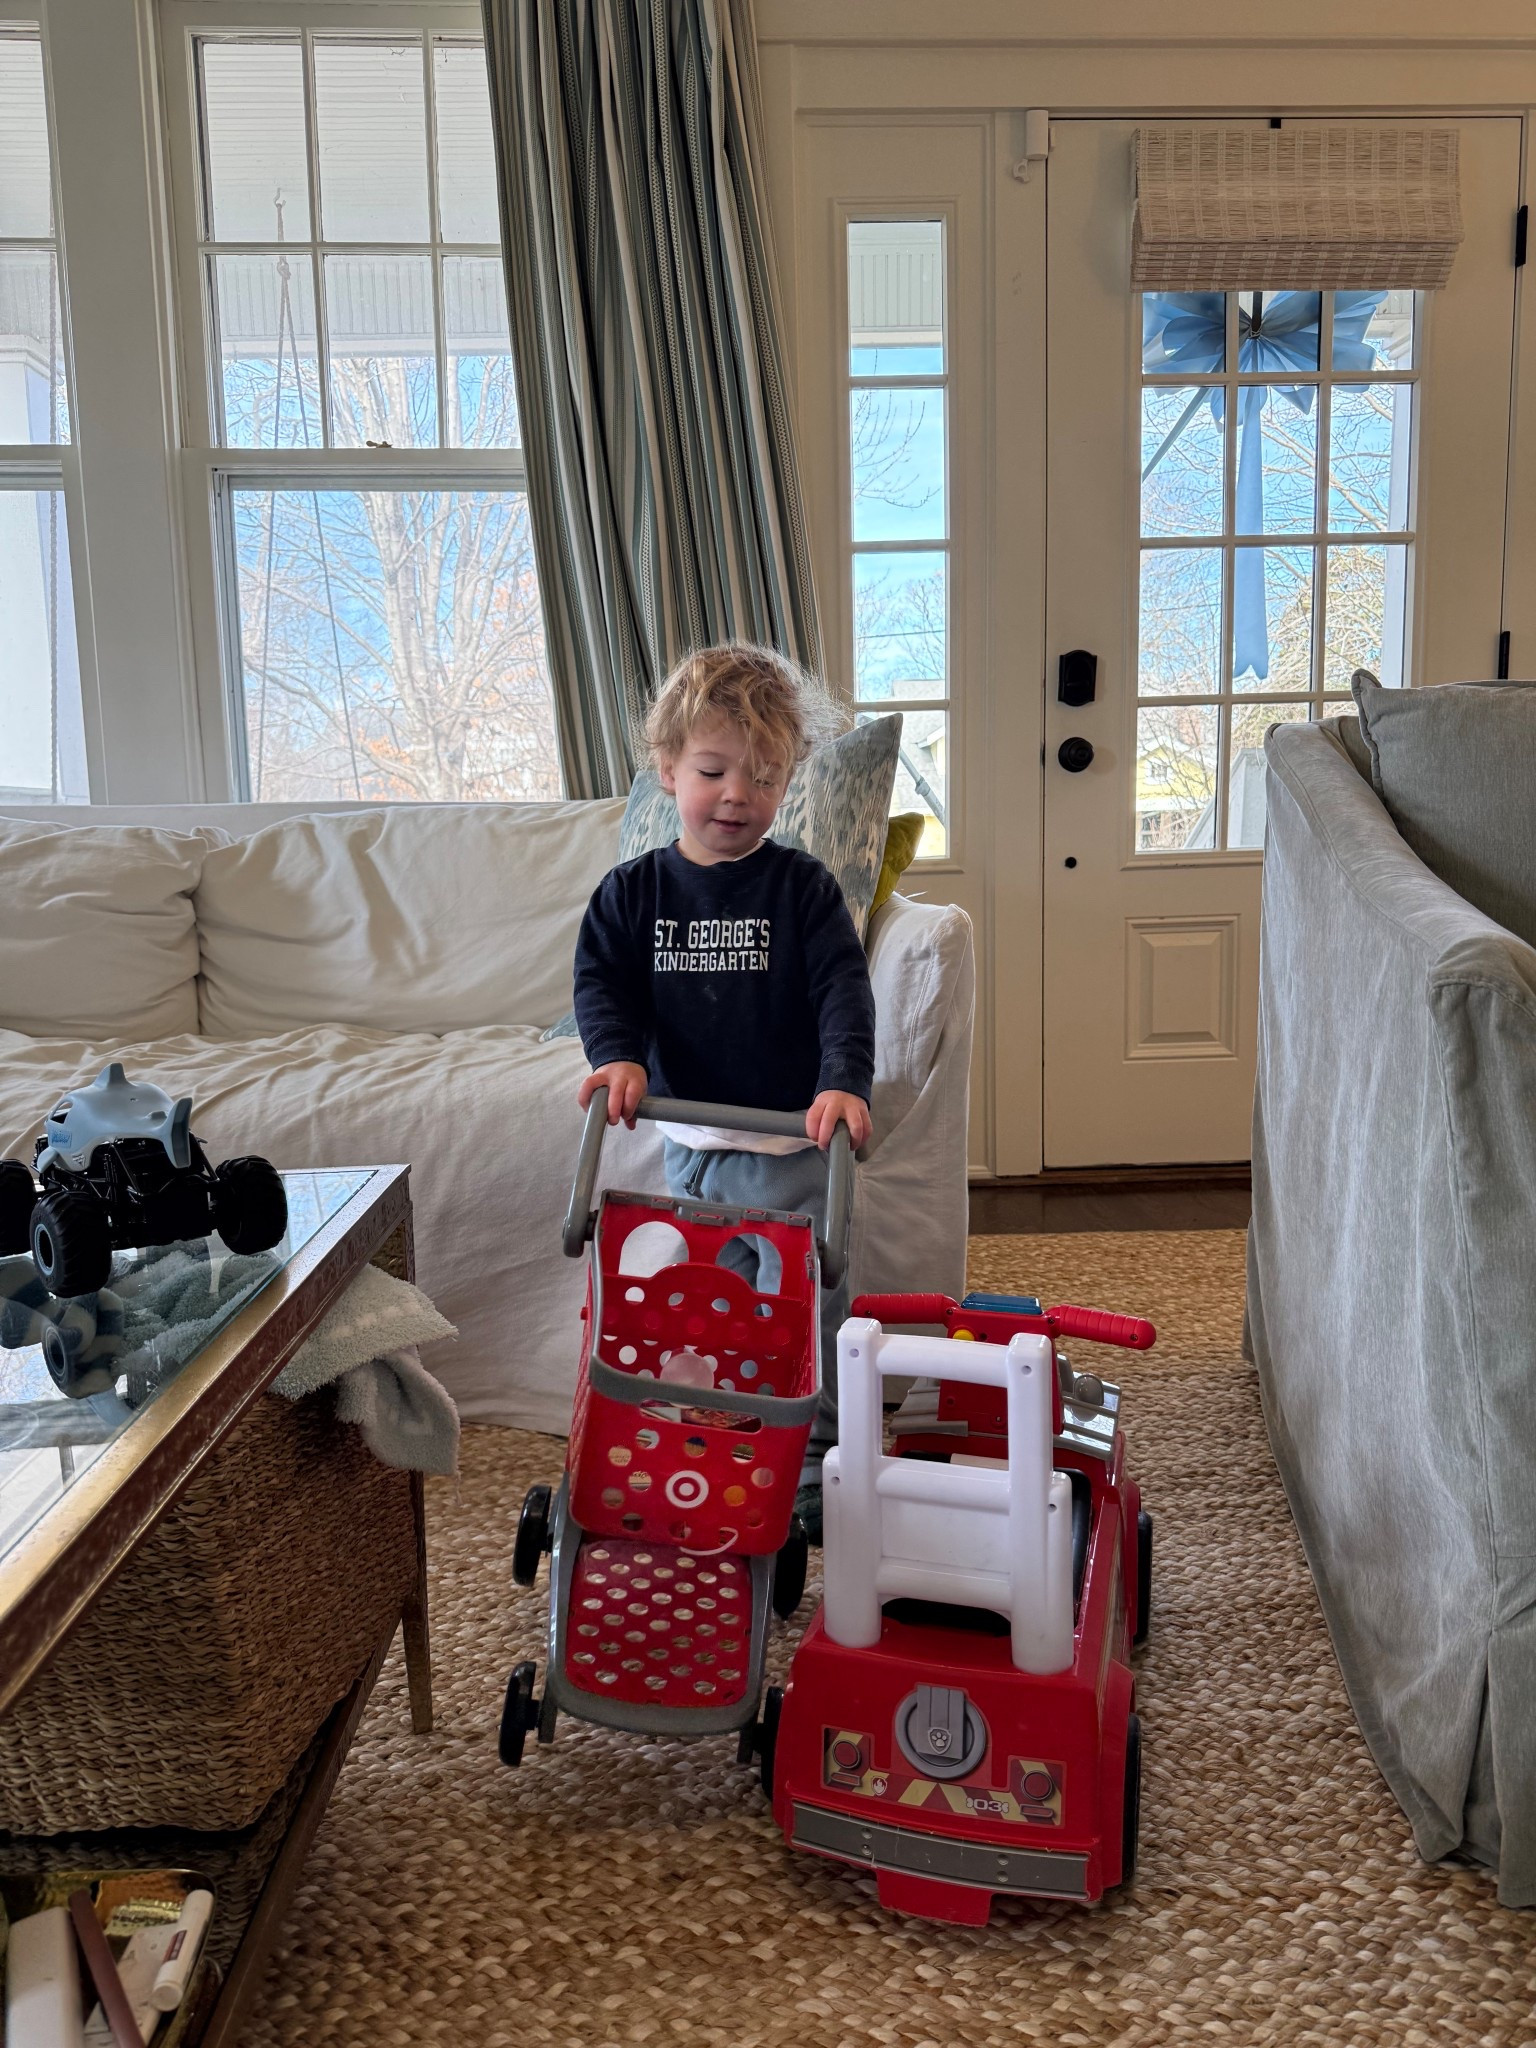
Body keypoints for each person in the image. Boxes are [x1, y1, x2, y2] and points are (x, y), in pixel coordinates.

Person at [572, 642, 876, 1539]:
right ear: (667, 769)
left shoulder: (802, 891)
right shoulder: (632, 896)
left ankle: (817, 1459)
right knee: (704, 1312)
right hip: (690, 1144)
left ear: (787, 784)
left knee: (807, 1303)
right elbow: (602, 985)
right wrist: (619, 1056)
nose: (737, 794)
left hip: (787, 1150)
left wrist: (843, 1084)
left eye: (765, 776)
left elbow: (842, 992)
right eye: (713, 770)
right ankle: (709, 1436)